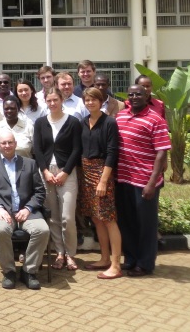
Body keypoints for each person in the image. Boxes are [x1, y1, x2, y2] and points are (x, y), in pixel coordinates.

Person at [0, 129, 49, 290]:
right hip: (4, 214)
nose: (7, 145)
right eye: (4, 143)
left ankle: (29, 271)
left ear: (15, 144)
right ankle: (9, 272)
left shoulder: (29, 163)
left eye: (10, 142)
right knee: (0, 230)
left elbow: (40, 192)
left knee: (42, 230)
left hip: (28, 212)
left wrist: (29, 208)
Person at [115, 84, 170, 277]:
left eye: (139, 94)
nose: (135, 97)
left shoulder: (156, 119)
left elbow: (161, 152)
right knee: (127, 222)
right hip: (123, 179)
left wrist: (152, 182)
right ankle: (130, 259)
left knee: (146, 225)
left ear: (147, 96)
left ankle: (146, 264)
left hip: (144, 181)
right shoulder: (120, 117)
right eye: (131, 94)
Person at [33, 87, 82, 271]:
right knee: (52, 216)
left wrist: (65, 172)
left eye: (56, 100)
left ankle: (70, 254)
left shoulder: (73, 122)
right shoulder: (40, 123)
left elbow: (77, 149)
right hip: (46, 173)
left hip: (66, 172)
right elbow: (37, 149)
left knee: (67, 216)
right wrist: (45, 171)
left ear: (62, 100)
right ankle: (59, 253)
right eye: (49, 100)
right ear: (45, 101)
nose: (52, 103)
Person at [79, 88, 122, 280]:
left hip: (102, 172)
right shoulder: (83, 122)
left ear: (101, 100)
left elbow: (112, 153)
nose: (90, 103)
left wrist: (103, 180)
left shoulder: (110, 122)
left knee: (108, 218)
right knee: (96, 218)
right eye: (87, 100)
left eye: (94, 99)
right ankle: (104, 258)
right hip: (86, 172)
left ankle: (115, 264)